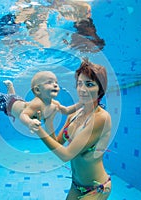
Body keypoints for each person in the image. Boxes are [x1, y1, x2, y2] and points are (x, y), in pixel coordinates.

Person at [35, 58, 112, 199]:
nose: (82, 89)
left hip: (97, 188)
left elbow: (66, 155)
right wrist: (49, 122)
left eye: (89, 84)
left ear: (100, 89)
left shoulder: (101, 118)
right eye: (79, 84)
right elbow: (58, 145)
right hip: (76, 185)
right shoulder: (74, 116)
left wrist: (38, 130)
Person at [0, 71, 82, 136]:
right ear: (37, 90)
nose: (55, 85)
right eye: (49, 83)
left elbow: (67, 111)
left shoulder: (55, 104)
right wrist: (29, 123)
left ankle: (10, 86)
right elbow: (23, 115)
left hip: (18, 100)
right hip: (7, 104)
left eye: (56, 83)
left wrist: (82, 103)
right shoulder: (37, 104)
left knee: (13, 96)